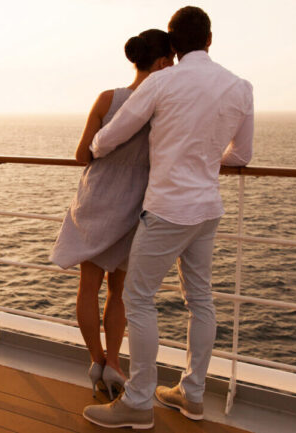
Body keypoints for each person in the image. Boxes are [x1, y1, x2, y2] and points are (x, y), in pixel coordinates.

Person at [82, 6, 254, 429]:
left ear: (174, 45)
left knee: (138, 300)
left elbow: (109, 137)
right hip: (207, 210)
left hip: (167, 211)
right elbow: (242, 156)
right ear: (210, 39)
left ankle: (138, 402)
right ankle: (191, 395)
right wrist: (206, 159)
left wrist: (98, 151)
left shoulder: (163, 80)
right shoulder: (240, 86)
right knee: (201, 301)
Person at [50, 29, 174, 400]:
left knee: (88, 287)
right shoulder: (162, 108)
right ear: (163, 62)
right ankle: (115, 364)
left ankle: (97, 361)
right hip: (133, 208)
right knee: (118, 291)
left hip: (95, 200)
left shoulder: (108, 99)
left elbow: (81, 155)